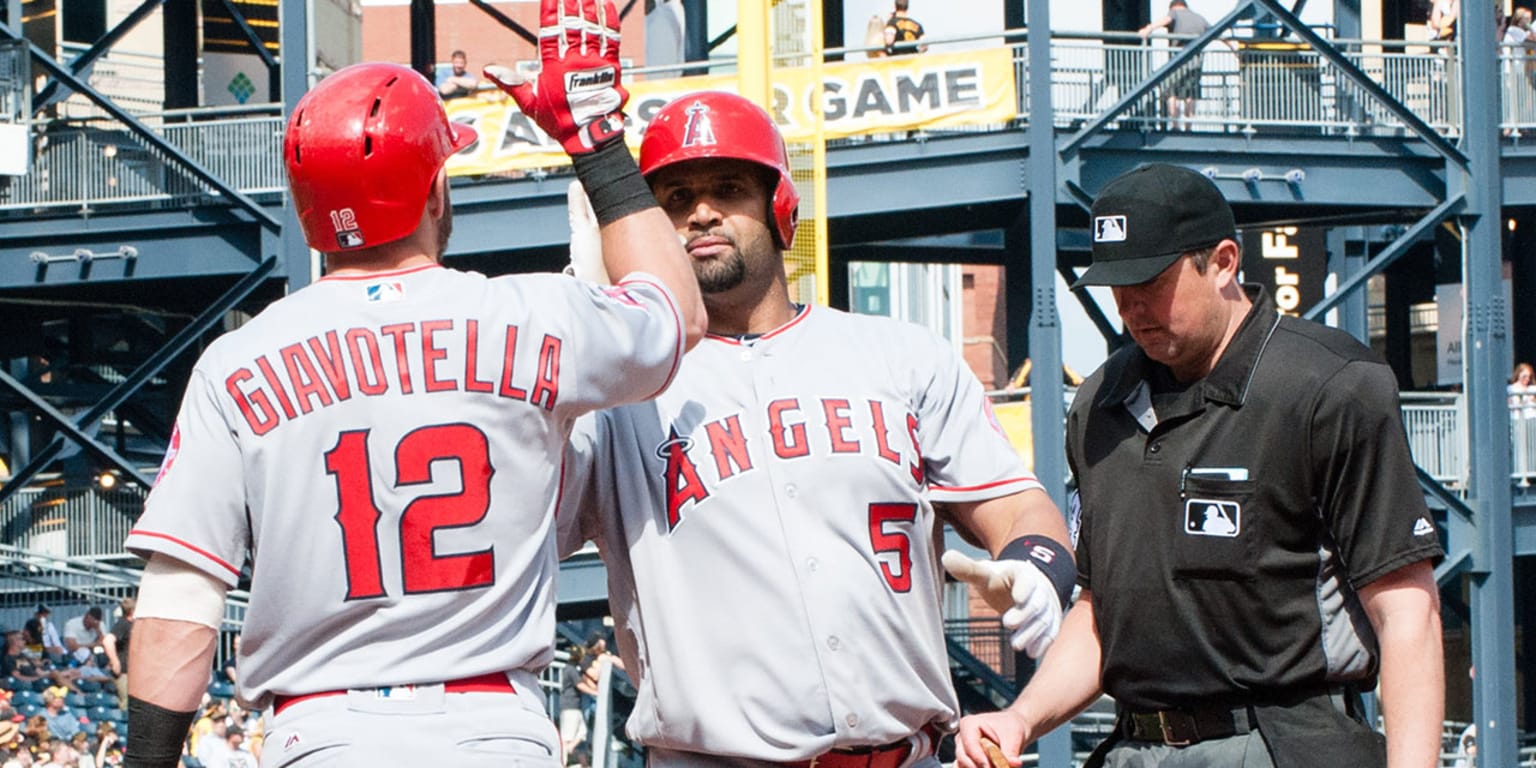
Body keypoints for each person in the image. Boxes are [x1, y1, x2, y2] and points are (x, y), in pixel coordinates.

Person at [123, 1, 707, 762]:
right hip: (493, 729)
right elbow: (678, 311)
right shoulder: (530, 315)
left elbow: (179, 604)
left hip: (324, 734)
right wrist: (593, 139)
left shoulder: (237, 364)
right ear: (433, 193)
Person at [558, 89, 1075, 767]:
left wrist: (1039, 564)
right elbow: (520, 525)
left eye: (728, 188)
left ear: (779, 209)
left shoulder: (900, 356)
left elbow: (1017, 507)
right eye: (675, 200)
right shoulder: (618, 395)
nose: (701, 212)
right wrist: (589, 327)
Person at [953, 163, 1445, 768]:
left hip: (1285, 742)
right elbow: (1099, 612)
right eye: (1117, 285)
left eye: (1152, 281)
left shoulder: (1328, 387)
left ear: (1224, 262)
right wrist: (1020, 717)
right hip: (1134, 747)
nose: (1131, 306)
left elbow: (1407, 610)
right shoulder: (1098, 405)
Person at [1139, 0, 1212, 131]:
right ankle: (1189, 127)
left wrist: (1149, 28)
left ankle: (1175, 124)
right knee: (1191, 94)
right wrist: (1233, 48)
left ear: (1174, 6)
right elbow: (1217, 32)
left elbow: (1166, 20)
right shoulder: (1200, 18)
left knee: (1170, 90)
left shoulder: (1175, 12)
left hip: (1179, 58)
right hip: (1196, 61)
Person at [100, 598, 132, 712]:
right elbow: (107, 641)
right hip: (124, 672)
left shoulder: (132, 624)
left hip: (133, 673)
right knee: (126, 707)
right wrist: (115, 662)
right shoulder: (123, 624)